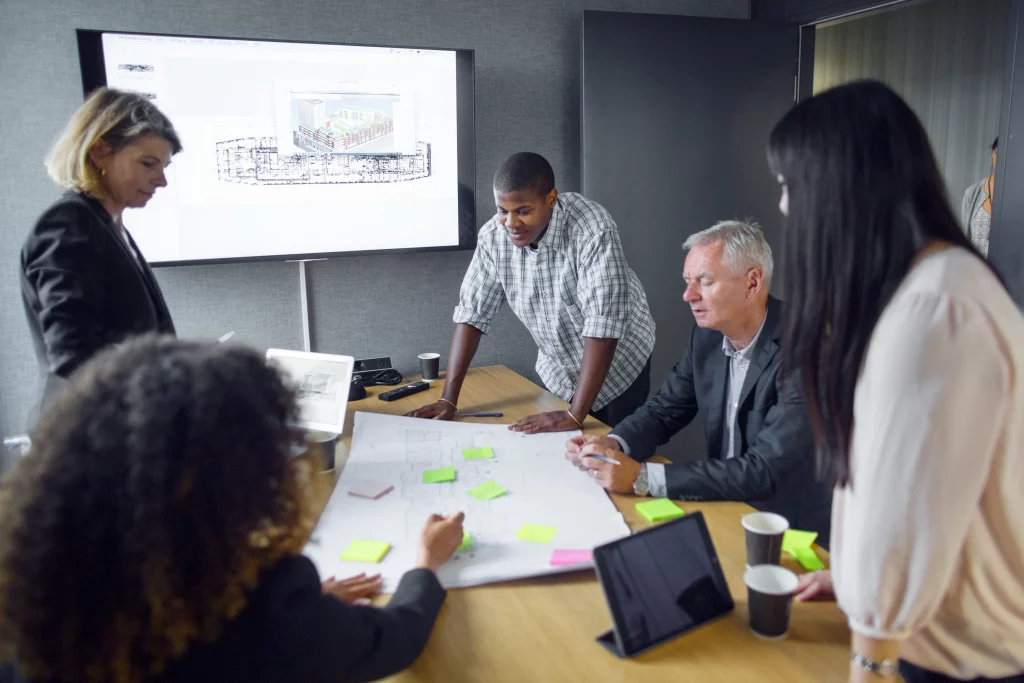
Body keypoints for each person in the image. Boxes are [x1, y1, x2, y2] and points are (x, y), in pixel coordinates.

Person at [0, 336, 465, 683]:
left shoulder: (36, 576)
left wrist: (308, 611)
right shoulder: (257, 604)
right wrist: (425, 563)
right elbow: (391, 640)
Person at [770, 80, 1024, 683]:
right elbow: (936, 494)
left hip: (955, 662)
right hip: (932, 633)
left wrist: (873, 646)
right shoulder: (939, 287)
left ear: (836, 185)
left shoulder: (933, 313)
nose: (782, 206)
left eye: (787, 185)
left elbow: (902, 522)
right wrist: (855, 579)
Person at [565, 221, 833, 545]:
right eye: (688, 282)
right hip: (727, 509)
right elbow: (665, 409)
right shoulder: (706, 336)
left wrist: (642, 478)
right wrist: (614, 443)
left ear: (752, 282)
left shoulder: (807, 346)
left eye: (704, 282)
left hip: (796, 534)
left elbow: (765, 470)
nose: (688, 295)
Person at [406, 152, 656, 433]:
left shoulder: (592, 230)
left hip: (620, 366)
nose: (511, 223)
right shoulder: (493, 237)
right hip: (560, 372)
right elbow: (472, 315)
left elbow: (603, 325)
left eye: (523, 211)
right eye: (503, 211)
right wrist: (448, 399)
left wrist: (575, 415)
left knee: (616, 459)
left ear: (551, 199)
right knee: (566, 457)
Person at [21, 87, 180, 427]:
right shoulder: (68, 225)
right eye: (148, 163)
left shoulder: (109, 225)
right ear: (99, 152)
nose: (162, 180)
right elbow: (73, 355)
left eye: (165, 166)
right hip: (88, 437)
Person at [960, 137, 998, 257]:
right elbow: (964, 240)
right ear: (992, 153)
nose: (1000, 159)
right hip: (976, 270)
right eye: (997, 153)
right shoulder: (972, 193)